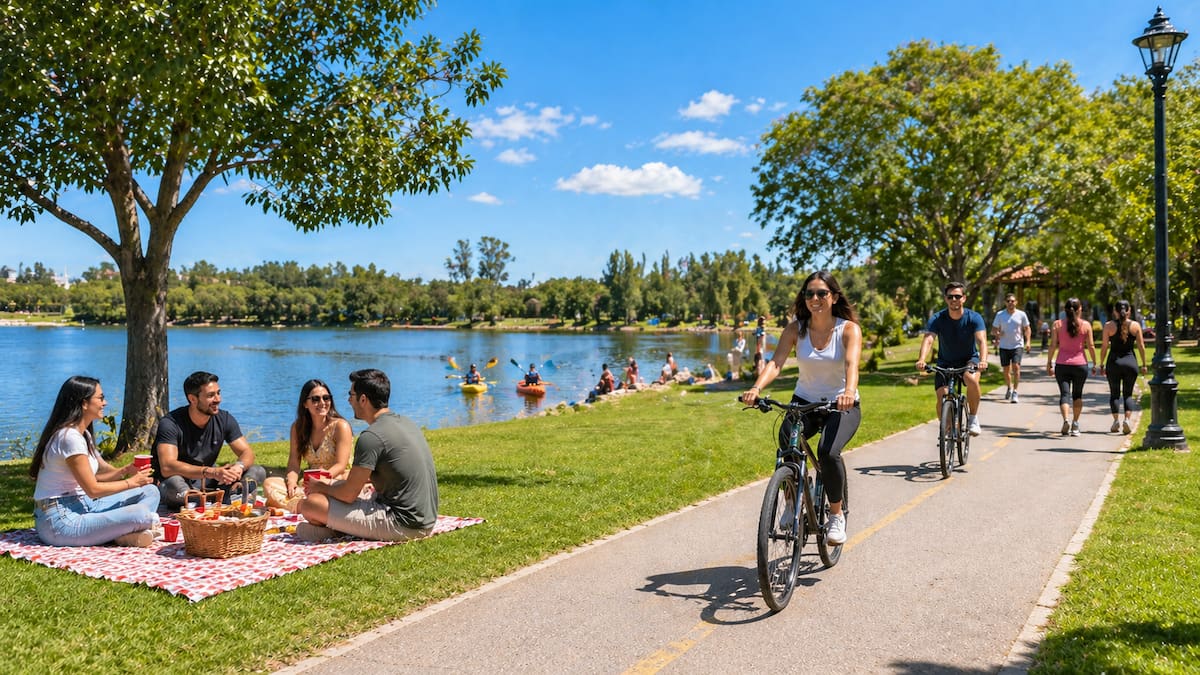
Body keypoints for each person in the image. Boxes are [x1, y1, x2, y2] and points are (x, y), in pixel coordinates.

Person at [742, 271, 862, 546]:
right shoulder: (796, 329)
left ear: (833, 297)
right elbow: (776, 363)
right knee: (787, 442)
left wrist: (847, 393)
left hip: (840, 403)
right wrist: (756, 388)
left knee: (828, 452)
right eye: (810, 294)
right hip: (804, 401)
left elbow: (851, 366)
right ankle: (793, 498)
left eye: (822, 293)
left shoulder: (848, 330)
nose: (815, 299)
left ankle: (835, 515)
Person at [297, 369, 439, 542]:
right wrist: (329, 484)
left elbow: (348, 494)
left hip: (402, 524)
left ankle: (339, 530)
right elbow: (357, 482)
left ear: (363, 399)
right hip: (425, 519)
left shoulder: (371, 437)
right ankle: (341, 527)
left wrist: (321, 487)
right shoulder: (406, 423)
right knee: (328, 494)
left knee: (312, 504)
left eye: (351, 394)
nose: (349, 400)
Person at [29, 376, 160, 547]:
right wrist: (131, 482)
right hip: (58, 520)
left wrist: (125, 471)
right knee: (141, 514)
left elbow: (99, 473)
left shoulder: (84, 435)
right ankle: (124, 532)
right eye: (100, 398)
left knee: (150, 491)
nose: (104, 403)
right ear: (84, 403)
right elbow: (93, 489)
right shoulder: (69, 438)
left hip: (83, 504)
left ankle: (120, 533)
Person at [153, 371, 268, 509]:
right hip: (179, 482)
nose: (218, 399)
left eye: (218, 393)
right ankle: (211, 502)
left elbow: (246, 452)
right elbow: (167, 467)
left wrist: (239, 467)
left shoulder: (224, 419)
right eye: (210, 395)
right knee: (174, 484)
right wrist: (211, 472)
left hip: (208, 482)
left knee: (257, 471)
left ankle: (226, 500)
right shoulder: (171, 423)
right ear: (193, 399)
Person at [263, 379, 354, 512]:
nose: (322, 403)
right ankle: (307, 506)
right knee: (269, 484)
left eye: (326, 398)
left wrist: (321, 483)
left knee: (329, 489)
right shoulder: (297, 428)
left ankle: (300, 506)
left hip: (335, 479)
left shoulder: (341, 426)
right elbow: (294, 463)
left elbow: (340, 465)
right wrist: (292, 482)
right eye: (316, 399)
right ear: (305, 403)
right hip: (309, 483)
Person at [915, 282, 989, 436]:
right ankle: (947, 428)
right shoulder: (937, 318)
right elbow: (929, 339)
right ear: (945, 298)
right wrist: (922, 359)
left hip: (969, 359)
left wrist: (983, 360)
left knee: (971, 379)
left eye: (957, 296)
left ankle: (973, 418)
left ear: (964, 298)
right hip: (945, 362)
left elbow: (981, 340)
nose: (954, 299)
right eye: (950, 296)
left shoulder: (974, 318)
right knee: (942, 395)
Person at [1046, 298, 1098, 437]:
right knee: (1077, 395)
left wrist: (1049, 362)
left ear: (1065, 310)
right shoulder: (1086, 325)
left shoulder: (1057, 324)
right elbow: (1091, 346)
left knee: (1064, 394)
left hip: (1062, 364)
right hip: (1080, 364)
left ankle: (1065, 420)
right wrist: (1095, 363)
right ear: (1080, 309)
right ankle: (1075, 424)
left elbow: (1052, 345)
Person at [1099, 300, 1147, 435]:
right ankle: (1127, 419)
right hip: (1130, 363)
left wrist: (1101, 363)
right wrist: (1144, 364)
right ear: (1129, 310)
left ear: (1115, 311)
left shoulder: (1109, 326)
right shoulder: (1135, 326)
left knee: (1114, 394)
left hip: (1113, 363)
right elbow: (1141, 347)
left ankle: (1115, 421)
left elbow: (1104, 347)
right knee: (1128, 394)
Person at [992, 293, 1032, 403]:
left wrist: (1028, 342)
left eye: (1012, 301)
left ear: (1016, 302)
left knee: (1016, 367)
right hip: (1004, 346)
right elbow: (993, 330)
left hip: (1017, 345)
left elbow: (1027, 329)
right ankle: (1009, 387)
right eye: (1008, 301)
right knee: (1006, 370)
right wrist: (998, 334)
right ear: (1005, 302)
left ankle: (1015, 391)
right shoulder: (1000, 315)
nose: (1011, 303)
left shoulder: (1021, 314)